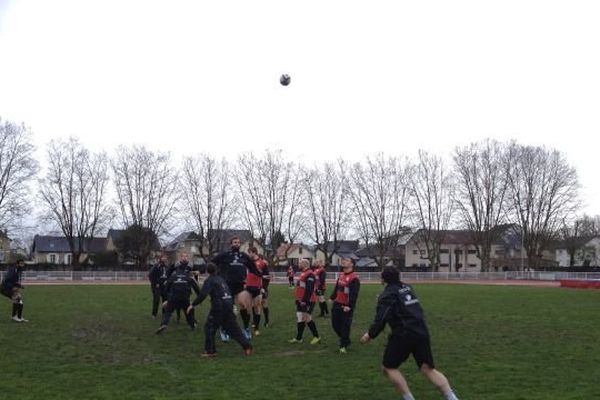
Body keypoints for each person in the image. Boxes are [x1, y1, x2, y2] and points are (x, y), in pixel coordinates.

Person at [360, 267, 460, 400]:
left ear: (383, 279)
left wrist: (370, 335)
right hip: (421, 331)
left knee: (389, 367)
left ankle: (408, 398)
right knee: (428, 369)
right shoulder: (407, 287)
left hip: (403, 334)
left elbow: (381, 318)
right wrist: (383, 300)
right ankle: (452, 397)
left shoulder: (387, 295)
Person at [187, 263, 253, 358]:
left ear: (207, 271)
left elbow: (203, 294)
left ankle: (210, 351)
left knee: (209, 328)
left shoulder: (210, 280)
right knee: (233, 329)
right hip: (228, 304)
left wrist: (192, 304)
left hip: (219, 307)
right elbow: (228, 291)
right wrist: (232, 305)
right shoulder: (221, 279)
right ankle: (247, 346)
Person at [212, 236, 262, 341]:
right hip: (227, 286)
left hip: (240, 286)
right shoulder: (225, 255)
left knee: (244, 306)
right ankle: (224, 330)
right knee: (228, 309)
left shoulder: (244, 256)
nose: (237, 244)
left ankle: (246, 328)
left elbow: (253, 268)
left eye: (238, 242)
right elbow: (212, 263)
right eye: (235, 242)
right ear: (231, 244)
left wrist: (260, 275)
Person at [155, 259, 200, 334]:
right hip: (185, 298)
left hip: (173, 298)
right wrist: (199, 297)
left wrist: (166, 299)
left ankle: (164, 325)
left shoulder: (173, 276)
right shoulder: (188, 276)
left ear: (177, 268)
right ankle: (192, 325)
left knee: (168, 312)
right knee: (188, 311)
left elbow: (166, 288)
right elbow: (196, 287)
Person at [329, 257, 360, 353]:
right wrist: (332, 297)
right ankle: (346, 340)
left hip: (346, 306)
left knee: (345, 326)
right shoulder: (341, 275)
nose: (343, 261)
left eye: (346, 261)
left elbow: (354, 294)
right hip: (337, 303)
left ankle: (343, 346)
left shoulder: (354, 278)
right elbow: (337, 288)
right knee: (335, 325)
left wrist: (349, 306)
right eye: (343, 260)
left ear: (352, 264)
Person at [288, 258, 320, 345]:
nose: (298, 264)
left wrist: (305, 301)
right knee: (300, 317)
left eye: (300, 263)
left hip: (307, 300)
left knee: (307, 318)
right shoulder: (303, 273)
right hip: (300, 300)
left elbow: (309, 289)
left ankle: (317, 337)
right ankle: (299, 338)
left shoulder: (310, 274)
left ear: (305, 264)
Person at [246, 247, 268, 336]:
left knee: (257, 307)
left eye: (249, 253)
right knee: (248, 307)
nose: (248, 254)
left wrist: (264, 287)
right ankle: (248, 326)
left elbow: (267, 276)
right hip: (247, 287)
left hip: (257, 288)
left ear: (254, 252)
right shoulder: (247, 263)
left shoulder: (262, 263)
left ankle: (256, 329)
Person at [1, 258, 28, 322]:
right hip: (4, 288)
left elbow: (13, 281)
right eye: (21, 264)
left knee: (20, 301)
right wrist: (12, 287)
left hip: (8, 287)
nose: (22, 265)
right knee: (17, 298)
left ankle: (19, 317)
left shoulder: (17, 270)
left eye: (23, 264)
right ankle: (13, 316)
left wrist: (20, 286)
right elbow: (6, 280)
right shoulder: (13, 270)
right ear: (17, 264)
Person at [148, 254, 170, 319]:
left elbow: (169, 276)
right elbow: (150, 275)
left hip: (165, 287)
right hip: (157, 287)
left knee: (165, 300)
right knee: (156, 300)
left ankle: (164, 314)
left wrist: (168, 282)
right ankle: (154, 314)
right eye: (163, 257)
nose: (164, 258)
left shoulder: (167, 267)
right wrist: (155, 283)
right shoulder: (156, 266)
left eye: (165, 257)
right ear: (160, 258)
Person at [258, 254, 272, 328]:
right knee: (256, 305)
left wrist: (264, 287)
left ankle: (266, 321)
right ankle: (256, 321)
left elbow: (268, 277)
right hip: (257, 288)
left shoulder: (264, 265)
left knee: (264, 305)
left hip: (263, 288)